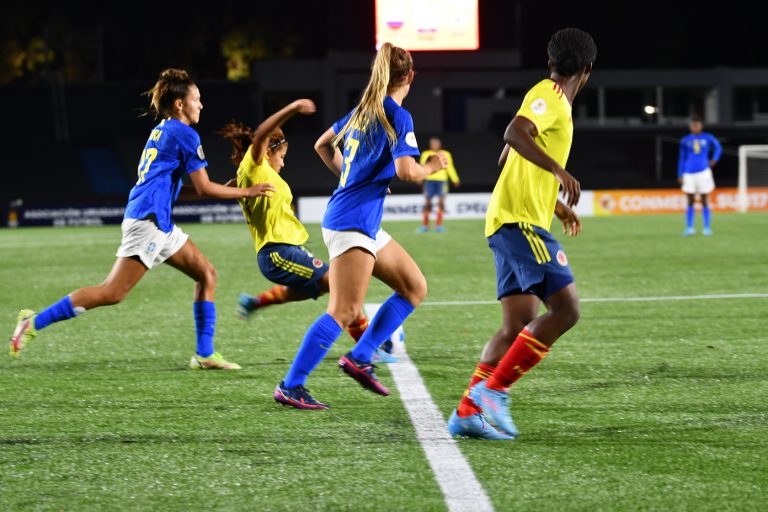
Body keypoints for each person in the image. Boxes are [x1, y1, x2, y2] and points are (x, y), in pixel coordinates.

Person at [9, 68, 275, 369]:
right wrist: (247, 192)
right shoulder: (184, 133)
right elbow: (203, 186)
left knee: (206, 274)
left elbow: (180, 189)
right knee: (111, 292)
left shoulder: (162, 130)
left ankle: (204, 354)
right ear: (179, 104)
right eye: (196, 99)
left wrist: (222, 190)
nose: (201, 105)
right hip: (148, 221)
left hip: (157, 219)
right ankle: (32, 322)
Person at [273, 42, 448, 410]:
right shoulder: (398, 116)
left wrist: (350, 177)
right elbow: (405, 171)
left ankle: (362, 355)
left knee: (414, 286)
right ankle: (291, 385)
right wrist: (431, 167)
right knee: (343, 311)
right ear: (410, 77)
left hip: (356, 219)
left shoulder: (362, 111)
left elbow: (323, 144)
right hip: (352, 222)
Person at [447, 28, 597, 440]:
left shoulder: (550, 101)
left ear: (552, 61)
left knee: (518, 326)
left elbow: (507, 157)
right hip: (518, 223)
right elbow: (512, 134)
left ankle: (466, 411)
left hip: (511, 219)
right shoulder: (550, 95)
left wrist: (555, 203)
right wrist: (559, 170)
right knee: (566, 311)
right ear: (587, 69)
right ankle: (495, 391)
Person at [217, 101, 393, 361]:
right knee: (339, 284)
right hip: (276, 252)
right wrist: (294, 107)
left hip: (289, 250)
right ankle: (367, 349)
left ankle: (256, 302)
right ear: (268, 152)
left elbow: (231, 186)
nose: (283, 164)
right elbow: (264, 132)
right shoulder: (254, 165)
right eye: (282, 157)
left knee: (322, 286)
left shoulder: (253, 174)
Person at [678, 116, 721, 236]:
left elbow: (718, 147)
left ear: (701, 126)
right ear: (690, 126)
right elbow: (682, 158)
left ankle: (707, 227)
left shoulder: (707, 137)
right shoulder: (685, 140)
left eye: (697, 125)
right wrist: (680, 173)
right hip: (688, 173)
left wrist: (714, 159)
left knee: (704, 199)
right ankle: (690, 227)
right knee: (690, 200)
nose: (695, 127)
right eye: (693, 125)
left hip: (703, 172)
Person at [418, 137, 460, 233]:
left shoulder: (445, 154)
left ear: (440, 144)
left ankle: (438, 225)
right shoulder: (426, 154)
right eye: (432, 143)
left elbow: (450, 167)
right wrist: (420, 177)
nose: (434, 145)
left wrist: (455, 179)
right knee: (427, 203)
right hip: (429, 180)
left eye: (436, 143)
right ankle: (425, 226)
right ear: (430, 145)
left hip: (442, 181)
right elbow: (422, 167)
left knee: (441, 203)